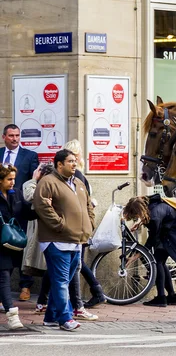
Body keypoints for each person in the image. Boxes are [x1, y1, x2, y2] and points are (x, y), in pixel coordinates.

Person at [32, 149, 95, 331]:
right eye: (70, 161)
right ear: (59, 164)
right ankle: (65, 318)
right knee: (60, 281)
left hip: (76, 240)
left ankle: (50, 317)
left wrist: (90, 224)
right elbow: (41, 205)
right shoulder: (48, 182)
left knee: (63, 281)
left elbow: (88, 205)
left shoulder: (78, 183)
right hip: (56, 240)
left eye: (75, 161)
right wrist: (61, 225)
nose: (74, 164)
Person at [62, 139, 105, 309]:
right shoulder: (80, 174)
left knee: (77, 261)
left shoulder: (77, 176)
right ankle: (93, 293)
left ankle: (93, 293)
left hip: (78, 225)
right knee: (77, 261)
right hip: (81, 225)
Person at [0, 124, 40, 301]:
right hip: (2, 209)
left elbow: (34, 181)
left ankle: (25, 285)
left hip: (20, 207)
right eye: (11, 135)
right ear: (4, 137)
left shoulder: (30, 156)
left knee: (24, 246)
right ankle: (4, 291)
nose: (15, 138)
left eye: (17, 135)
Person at [122, 194, 176, 307]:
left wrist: (135, 257)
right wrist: (139, 223)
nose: (136, 217)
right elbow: (150, 216)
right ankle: (172, 296)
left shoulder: (154, 217)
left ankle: (161, 298)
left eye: (136, 215)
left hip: (173, 234)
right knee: (161, 262)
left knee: (156, 261)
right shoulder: (150, 204)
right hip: (170, 231)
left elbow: (151, 241)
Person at [0, 164, 36, 329]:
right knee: (4, 277)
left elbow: (28, 212)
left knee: (5, 275)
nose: (13, 182)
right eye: (9, 179)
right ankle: (12, 315)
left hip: (10, 244)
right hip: (1, 246)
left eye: (14, 178)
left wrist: (46, 206)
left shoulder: (16, 195)